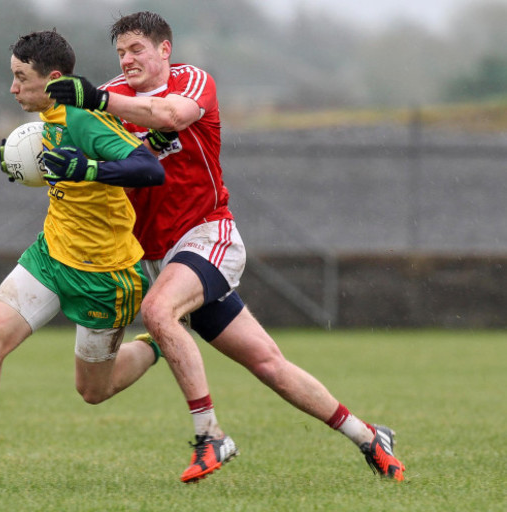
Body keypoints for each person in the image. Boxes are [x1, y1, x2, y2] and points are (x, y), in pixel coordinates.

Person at [45, 11, 406, 483]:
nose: (127, 60)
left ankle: (209, 435)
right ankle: (368, 435)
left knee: (158, 311)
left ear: (164, 50)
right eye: (120, 53)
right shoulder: (111, 97)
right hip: (159, 256)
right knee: (269, 364)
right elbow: (93, 150)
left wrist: (97, 98)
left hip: (207, 234)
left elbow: (171, 115)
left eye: (136, 49)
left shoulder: (191, 81)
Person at [0, 29, 165, 486]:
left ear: (54, 79)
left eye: (21, 78)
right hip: (49, 256)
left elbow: (149, 169)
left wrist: (87, 168)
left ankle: (162, 339)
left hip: (106, 276)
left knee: (92, 391)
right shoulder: (47, 117)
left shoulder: (85, 120)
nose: (13, 88)